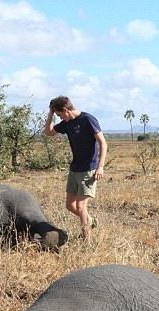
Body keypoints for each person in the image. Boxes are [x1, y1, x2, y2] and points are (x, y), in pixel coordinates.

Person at [43, 96, 107, 239]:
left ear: (66, 110)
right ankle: (90, 221)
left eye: (59, 114)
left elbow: (103, 143)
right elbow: (48, 132)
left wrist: (100, 166)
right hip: (75, 168)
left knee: (80, 206)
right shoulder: (67, 123)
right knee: (70, 206)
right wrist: (50, 115)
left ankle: (87, 240)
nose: (60, 118)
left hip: (89, 169)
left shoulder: (88, 119)